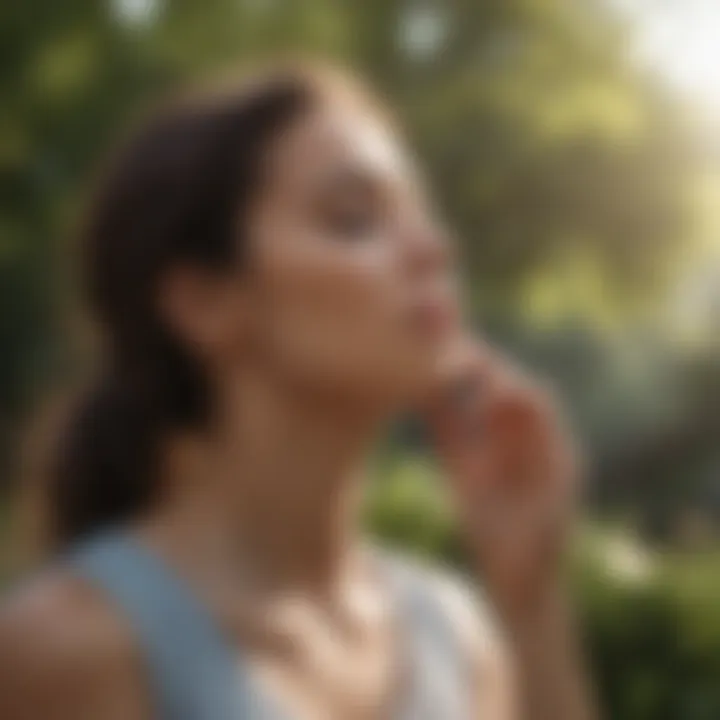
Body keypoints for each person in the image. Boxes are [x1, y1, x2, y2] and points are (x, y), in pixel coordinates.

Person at [0, 61, 597, 720]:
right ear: (204, 301)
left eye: (423, 217)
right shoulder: (71, 650)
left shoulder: (457, 635)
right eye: (354, 218)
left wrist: (530, 597)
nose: (435, 249)